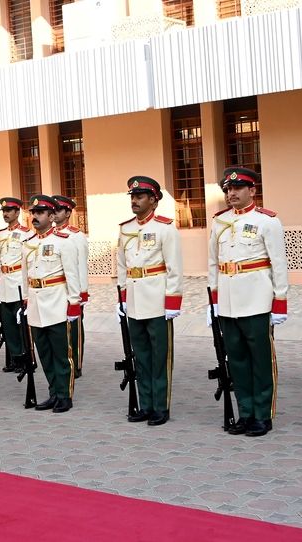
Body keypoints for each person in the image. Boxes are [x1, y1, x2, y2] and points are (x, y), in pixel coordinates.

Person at [207, 167, 288, 437]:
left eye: (238, 188)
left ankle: (263, 415)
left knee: (261, 360)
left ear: (252, 190)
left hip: (257, 299)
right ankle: (245, 412)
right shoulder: (219, 222)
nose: (232, 193)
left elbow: (278, 264)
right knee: (237, 360)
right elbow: (213, 264)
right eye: (228, 189)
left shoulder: (267, 221)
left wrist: (280, 302)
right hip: (229, 301)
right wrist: (214, 301)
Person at [115, 177, 182, 425]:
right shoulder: (125, 228)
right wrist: (122, 298)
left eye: (140, 196)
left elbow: (174, 268)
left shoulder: (166, 228)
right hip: (134, 299)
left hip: (157, 300)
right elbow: (122, 265)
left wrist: (173, 303)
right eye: (132, 196)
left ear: (153, 199)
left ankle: (160, 406)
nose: (134, 200)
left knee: (159, 357)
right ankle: (145, 404)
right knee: (140, 355)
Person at [24, 195, 82, 414]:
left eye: (40, 213)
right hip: (36, 304)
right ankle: (53, 392)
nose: (35, 217)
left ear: (51, 216)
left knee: (61, 353)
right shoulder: (28, 244)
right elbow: (24, 276)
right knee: (45, 353)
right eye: (33, 213)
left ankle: (64, 395)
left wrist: (74, 304)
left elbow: (72, 275)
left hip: (56, 302)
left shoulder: (63, 241)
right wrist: (26, 303)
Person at [53, 195, 89, 379]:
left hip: (73, 289)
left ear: (68, 213)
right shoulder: (50, 236)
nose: (55, 213)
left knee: (74, 329)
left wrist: (81, 293)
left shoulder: (76, 236)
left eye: (58, 210)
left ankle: (76, 363)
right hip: (56, 290)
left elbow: (81, 265)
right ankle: (64, 361)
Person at [0, 197, 31, 373]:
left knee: (21, 324)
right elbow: (1, 258)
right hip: (4, 282)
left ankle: (26, 358)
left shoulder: (26, 233)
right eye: (4, 211)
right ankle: (15, 358)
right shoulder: (1, 233)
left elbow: (28, 261)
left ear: (17, 212)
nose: (6, 213)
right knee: (8, 324)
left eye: (9, 210)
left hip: (18, 280)